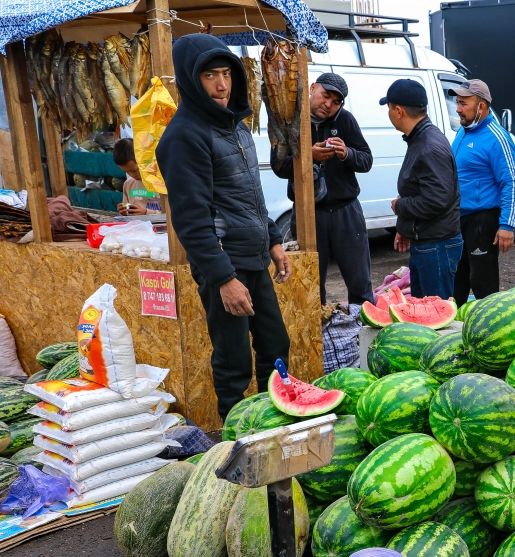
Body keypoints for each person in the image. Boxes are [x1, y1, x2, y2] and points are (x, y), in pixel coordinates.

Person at [156, 33, 293, 422]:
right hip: (223, 262)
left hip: (252, 256)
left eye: (226, 74)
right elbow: (191, 219)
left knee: (275, 343)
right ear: (189, 80)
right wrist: (223, 278)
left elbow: (248, 194)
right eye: (209, 76)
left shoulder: (235, 126)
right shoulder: (184, 136)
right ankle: (236, 439)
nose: (221, 85)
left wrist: (273, 239)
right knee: (234, 361)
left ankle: (275, 420)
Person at [272, 73, 375, 306]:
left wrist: (347, 153)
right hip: (308, 212)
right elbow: (278, 166)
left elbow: (366, 160)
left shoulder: (346, 120)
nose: (329, 105)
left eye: (336, 102)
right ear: (312, 88)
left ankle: (361, 333)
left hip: (346, 212)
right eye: (325, 96)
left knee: (360, 283)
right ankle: (317, 337)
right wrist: (308, 156)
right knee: (310, 284)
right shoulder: (290, 121)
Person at [383, 79, 461, 299]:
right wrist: (407, 228)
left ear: (398, 111)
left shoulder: (428, 146)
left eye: (388, 108)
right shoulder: (420, 139)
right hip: (427, 242)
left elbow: (436, 200)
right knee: (421, 315)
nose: (388, 114)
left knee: (436, 321)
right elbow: (423, 190)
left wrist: (400, 206)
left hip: (436, 247)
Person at [448, 79, 515, 306]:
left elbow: (511, 182)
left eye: (463, 103)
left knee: (483, 282)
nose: (458, 108)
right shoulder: (463, 132)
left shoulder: (497, 137)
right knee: (456, 278)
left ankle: (489, 329)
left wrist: (507, 226)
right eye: (457, 102)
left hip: (482, 220)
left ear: (481, 106)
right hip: (458, 218)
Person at [112, 138, 161, 215]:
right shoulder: (128, 184)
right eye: (126, 172)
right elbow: (127, 217)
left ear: (142, 160)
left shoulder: (162, 182)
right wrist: (124, 212)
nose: (132, 175)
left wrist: (146, 212)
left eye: (134, 170)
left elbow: (172, 214)